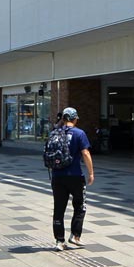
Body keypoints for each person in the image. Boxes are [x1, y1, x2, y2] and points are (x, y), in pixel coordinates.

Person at [50, 107, 94, 251]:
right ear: (75, 119)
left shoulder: (54, 133)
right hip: (75, 175)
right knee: (80, 206)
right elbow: (86, 153)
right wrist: (91, 173)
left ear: (63, 119)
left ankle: (59, 240)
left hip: (57, 176)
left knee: (59, 208)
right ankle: (75, 236)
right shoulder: (79, 133)